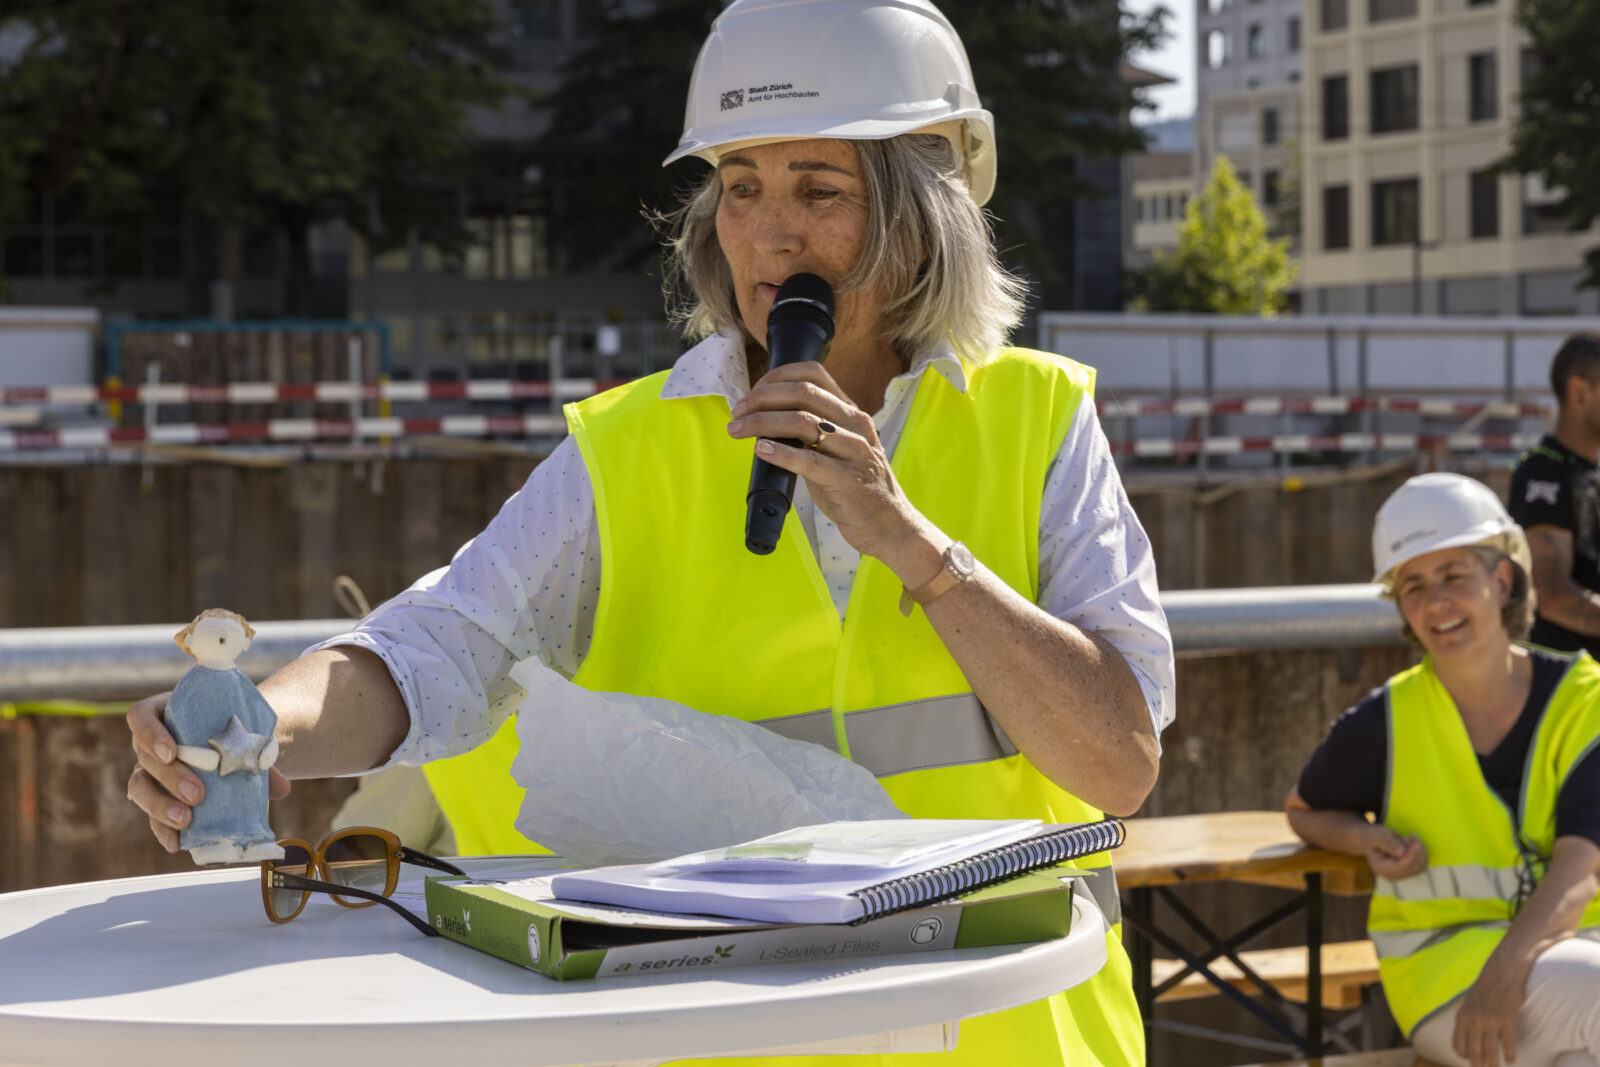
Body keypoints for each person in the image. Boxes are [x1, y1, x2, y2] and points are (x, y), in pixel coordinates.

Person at [126, 1, 1175, 1062]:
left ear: (920, 214)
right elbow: (438, 647)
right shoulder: (627, 447)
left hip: (1011, 1039)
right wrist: (264, 725)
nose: (770, 233)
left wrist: (908, 539)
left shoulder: (1038, 418)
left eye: (820, 190)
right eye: (741, 188)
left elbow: (1119, 762)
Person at [1286, 472, 1600, 1067]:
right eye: (1414, 586)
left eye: (1455, 577)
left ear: (1502, 579)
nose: (1436, 604)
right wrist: (1363, 836)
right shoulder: (1386, 719)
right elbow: (1303, 810)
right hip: (1444, 977)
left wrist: (1506, 973)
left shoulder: (1586, 702)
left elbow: (1581, 869)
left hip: (1562, 953)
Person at [1509, 332, 1600, 658]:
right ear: (1579, 392)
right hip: (1564, 693)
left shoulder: (1591, 473)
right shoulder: (1543, 471)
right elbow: (1551, 595)